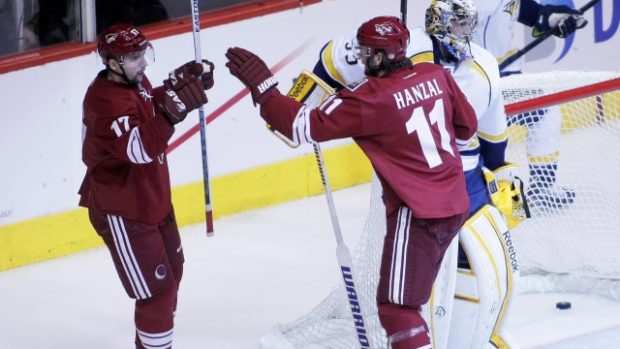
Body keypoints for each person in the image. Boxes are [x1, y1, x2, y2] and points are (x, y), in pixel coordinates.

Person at [226, 16, 478, 348]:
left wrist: (264, 90)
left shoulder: (368, 97)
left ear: (381, 55)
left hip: (417, 214)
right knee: (408, 300)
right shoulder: (436, 74)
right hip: (455, 203)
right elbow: (467, 128)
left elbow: (302, 127)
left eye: (366, 52)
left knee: (398, 310)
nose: (361, 58)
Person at [312, 1, 530, 348]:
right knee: (416, 291)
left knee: (497, 275)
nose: (465, 32)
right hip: (414, 192)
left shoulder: (483, 64)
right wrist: (305, 97)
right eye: (458, 24)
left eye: (467, 25)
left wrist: (504, 174)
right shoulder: (398, 46)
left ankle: (478, 339)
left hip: (467, 185)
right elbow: (332, 59)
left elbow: (491, 137)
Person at [79, 23, 214, 348]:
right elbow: (138, 148)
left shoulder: (133, 80)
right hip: (124, 210)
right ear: (112, 63)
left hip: (153, 200)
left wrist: (178, 86)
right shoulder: (103, 103)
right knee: (157, 292)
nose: (143, 63)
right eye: (134, 57)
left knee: (173, 273)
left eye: (143, 54)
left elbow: (151, 105)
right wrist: (173, 111)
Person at [473, 0, 588, 212]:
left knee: (545, 112)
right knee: (491, 146)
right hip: (485, 84)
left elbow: (522, 9)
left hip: (507, 81)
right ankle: (505, 203)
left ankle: (534, 192)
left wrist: (550, 18)